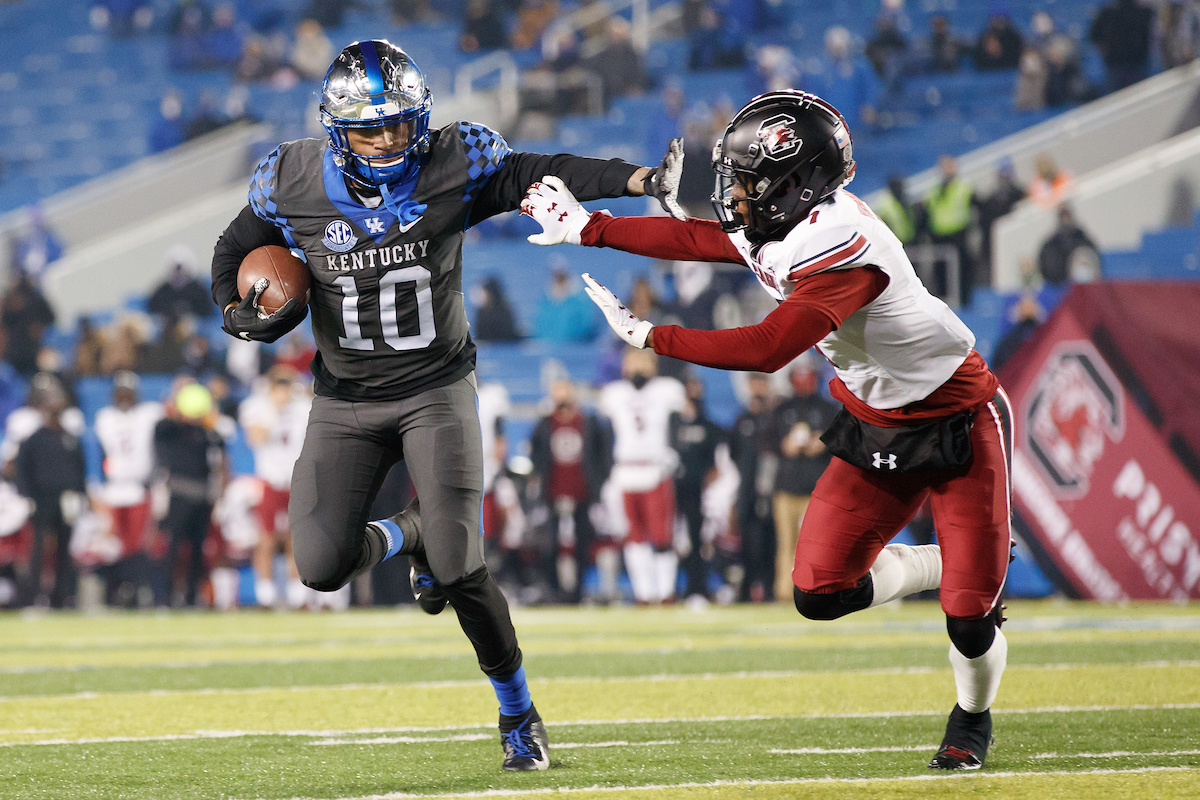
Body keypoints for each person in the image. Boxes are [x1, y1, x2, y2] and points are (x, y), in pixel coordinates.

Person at [209, 39, 683, 771]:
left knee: (462, 567)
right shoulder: (292, 178)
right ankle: (411, 532)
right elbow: (236, 246)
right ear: (337, 130)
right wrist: (235, 311)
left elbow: (535, 171)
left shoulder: (453, 162)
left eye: (401, 124)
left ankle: (518, 713)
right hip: (346, 399)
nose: (391, 140)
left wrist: (638, 178)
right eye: (372, 129)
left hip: (434, 388)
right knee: (321, 564)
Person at [521, 89, 1014, 771]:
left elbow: (768, 348)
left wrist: (652, 336)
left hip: (958, 417)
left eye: (752, 181)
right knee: (819, 593)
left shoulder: (843, 246)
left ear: (801, 183)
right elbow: (698, 238)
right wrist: (591, 228)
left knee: (968, 617)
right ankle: (940, 564)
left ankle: (972, 721)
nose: (738, 195)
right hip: (876, 422)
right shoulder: (790, 221)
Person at [598, 348, 686, 605]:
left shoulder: (667, 390)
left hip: (655, 468)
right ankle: (644, 594)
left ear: (654, 364)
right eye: (632, 361)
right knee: (634, 535)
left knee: (661, 535)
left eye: (643, 361)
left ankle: (665, 591)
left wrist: (672, 457)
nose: (637, 367)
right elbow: (604, 438)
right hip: (625, 469)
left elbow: (679, 427)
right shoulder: (614, 393)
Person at [530, 378, 612, 602]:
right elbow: (536, 455)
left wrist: (599, 483)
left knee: (583, 543)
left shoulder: (588, 422)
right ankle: (556, 589)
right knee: (552, 543)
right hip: (553, 492)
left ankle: (579, 589)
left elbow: (602, 455)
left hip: (583, 491)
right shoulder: (545, 424)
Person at [238, 366, 312, 607]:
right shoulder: (257, 406)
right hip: (269, 481)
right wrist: (274, 409)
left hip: (297, 480)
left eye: (286, 383)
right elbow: (256, 438)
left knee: (297, 539)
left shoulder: (303, 407)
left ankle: (298, 594)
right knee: (266, 539)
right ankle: (266, 595)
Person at [769, 354, 838, 604]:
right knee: (786, 543)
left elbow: (842, 440)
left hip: (816, 487)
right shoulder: (781, 409)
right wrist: (783, 445)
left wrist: (823, 443)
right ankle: (784, 592)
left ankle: (816, 589)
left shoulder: (828, 409)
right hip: (786, 487)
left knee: (816, 543)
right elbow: (766, 442)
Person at [14, 374, 86, 608]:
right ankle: (32, 597)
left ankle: (61, 597)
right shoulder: (33, 439)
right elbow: (22, 470)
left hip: (66, 499)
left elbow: (79, 470)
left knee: (65, 549)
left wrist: (79, 493)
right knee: (37, 549)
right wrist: (27, 496)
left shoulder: (70, 438)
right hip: (42, 498)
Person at [93, 371, 164, 605]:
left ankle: (136, 591)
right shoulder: (105, 418)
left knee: (137, 544)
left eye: (128, 392)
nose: (124, 397)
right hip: (113, 489)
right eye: (120, 392)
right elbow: (100, 455)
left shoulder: (148, 415)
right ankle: (117, 591)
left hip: (139, 488)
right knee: (114, 546)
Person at [154, 382, 226, 607]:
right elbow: (162, 433)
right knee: (173, 547)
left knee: (197, 548)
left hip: (202, 495)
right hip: (178, 492)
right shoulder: (169, 429)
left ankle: (192, 595)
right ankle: (164, 596)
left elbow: (220, 460)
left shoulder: (209, 433)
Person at [729, 372, 778, 601]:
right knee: (747, 542)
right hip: (746, 489)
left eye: (761, 383)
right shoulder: (742, 420)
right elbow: (733, 454)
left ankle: (769, 589)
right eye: (754, 383)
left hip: (770, 489)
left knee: (771, 540)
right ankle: (747, 589)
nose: (758, 388)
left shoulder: (774, 418)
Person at [923, 155, 975, 306]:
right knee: (941, 272)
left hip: (959, 236)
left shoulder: (964, 187)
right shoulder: (934, 190)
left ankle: (965, 303)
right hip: (939, 237)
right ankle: (943, 301)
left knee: (963, 270)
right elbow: (928, 212)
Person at [1090, 0, 1155, 93]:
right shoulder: (1107, 13)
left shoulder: (1145, 12)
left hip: (1137, 65)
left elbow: (1152, 38)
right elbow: (1095, 36)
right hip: (1116, 66)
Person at [148, 245, 215, 325]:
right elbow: (152, 313)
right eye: (175, 271)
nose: (178, 276)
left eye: (181, 271)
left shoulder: (199, 291)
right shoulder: (162, 292)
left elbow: (208, 315)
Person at [1037, 204, 1101, 287]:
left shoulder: (1084, 240)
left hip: (1086, 287)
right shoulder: (1049, 246)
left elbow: (1095, 263)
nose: (1065, 220)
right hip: (1057, 288)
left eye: (1067, 216)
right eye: (1063, 216)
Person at [534, 267, 599, 342]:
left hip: (574, 346)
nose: (559, 286)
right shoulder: (545, 304)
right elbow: (539, 328)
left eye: (562, 281)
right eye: (557, 282)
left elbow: (587, 327)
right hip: (548, 345)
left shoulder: (579, 304)